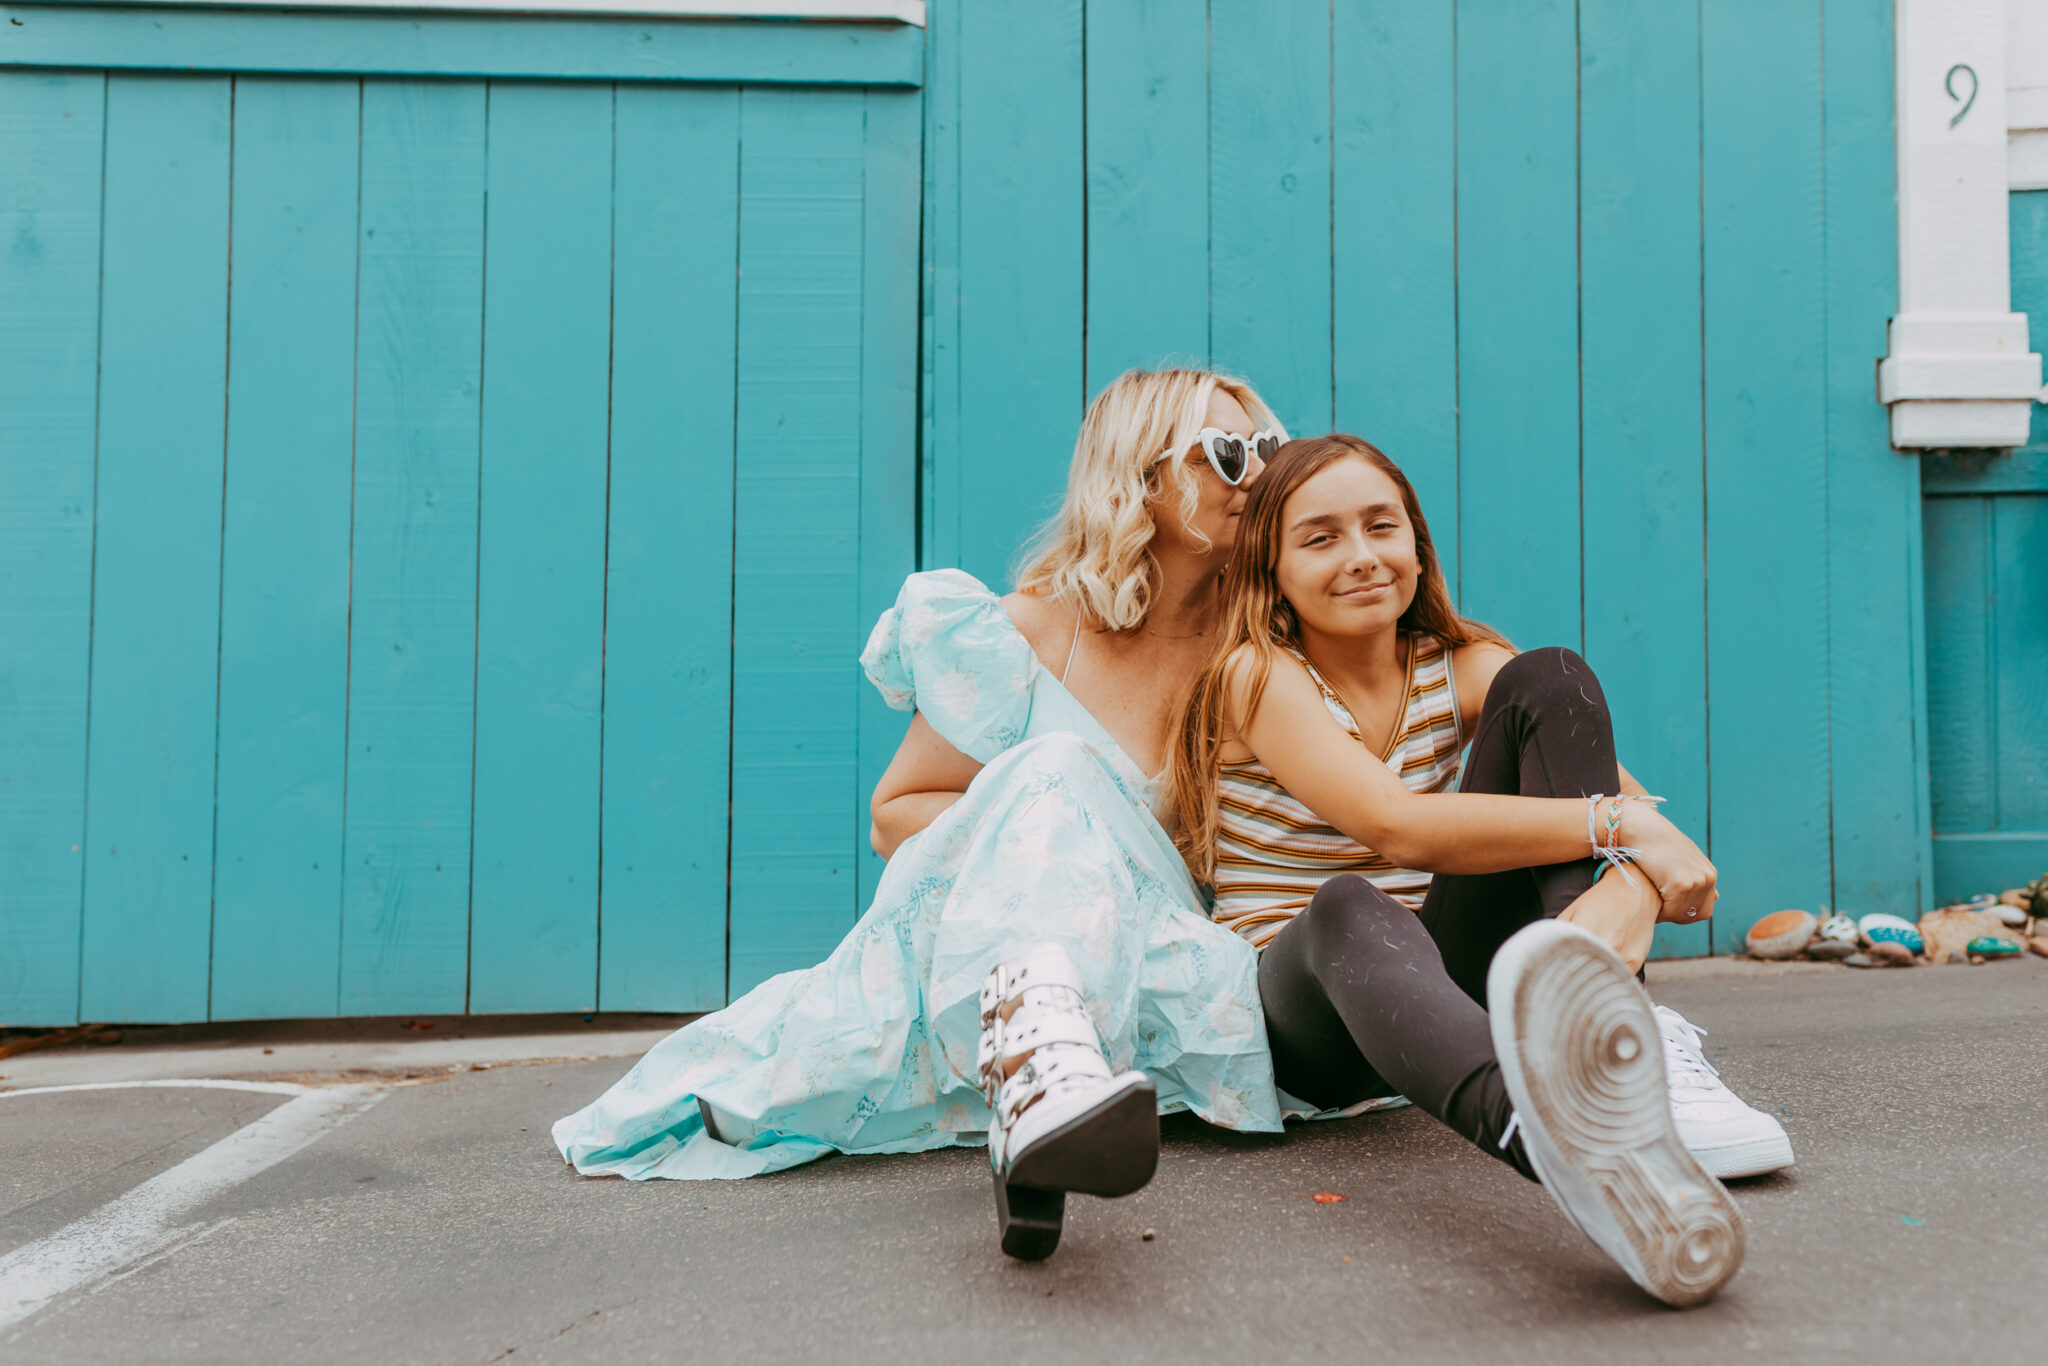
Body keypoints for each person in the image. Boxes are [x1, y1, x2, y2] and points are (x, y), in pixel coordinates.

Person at [555, 368, 1291, 1260]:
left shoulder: (1267, 645)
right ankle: (1039, 1080)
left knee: (1060, 778)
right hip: (1003, 943)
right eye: (1225, 452)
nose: (1257, 473)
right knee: (1055, 770)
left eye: (1269, 449)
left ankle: (1038, 1100)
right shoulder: (1027, 634)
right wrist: (1058, 829)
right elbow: (896, 814)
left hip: (1163, 950)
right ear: (1140, 476)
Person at [1166, 433, 1792, 1306]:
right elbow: (1400, 828)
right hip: (1306, 1014)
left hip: (1431, 993)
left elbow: (1635, 822)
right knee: (1354, 901)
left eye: (1382, 527)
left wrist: (1626, 886)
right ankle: (1558, 1142)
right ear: (1270, 574)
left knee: (1554, 678)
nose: (1360, 557)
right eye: (1319, 538)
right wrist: (1633, 848)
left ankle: (1605, 1040)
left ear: (1418, 548)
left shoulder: (1462, 665)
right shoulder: (1257, 676)